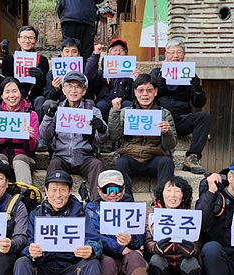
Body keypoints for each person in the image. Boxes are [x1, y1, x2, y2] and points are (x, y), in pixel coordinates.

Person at [40, 71, 109, 201]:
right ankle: (49, 200)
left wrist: (101, 128)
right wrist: (48, 116)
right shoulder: (57, 109)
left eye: (78, 86)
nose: (73, 90)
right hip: (62, 156)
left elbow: (102, 139)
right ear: (63, 89)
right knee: (54, 163)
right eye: (70, 86)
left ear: (84, 91)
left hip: (85, 157)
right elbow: (44, 135)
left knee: (97, 165)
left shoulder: (93, 111)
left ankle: (97, 203)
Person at [144, 176, 201, 275]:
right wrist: (155, 248)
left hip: (184, 266)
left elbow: (197, 241)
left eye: (177, 191)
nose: (173, 195)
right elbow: (147, 240)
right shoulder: (152, 214)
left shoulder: (191, 214)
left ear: (184, 195)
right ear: (161, 194)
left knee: (192, 262)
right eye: (168, 190)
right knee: (155, 260)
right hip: (163, 269)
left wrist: (193, 249)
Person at [108, 73, 177, 196]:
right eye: (141, 90)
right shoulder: (126, 112)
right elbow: (115, 136)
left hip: (154, 157)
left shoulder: (164, 113)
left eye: (149, 90)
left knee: (167, 163)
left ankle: (162, 200)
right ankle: (126, 201)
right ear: (135, 92)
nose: (145, 94)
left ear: (155, 92)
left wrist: (167, 132)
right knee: (121, 163)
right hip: (130, 156)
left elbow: (170, 145)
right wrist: (115, 112)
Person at [151, 39, 211, 175]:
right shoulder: (156, 72)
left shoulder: (189, 73)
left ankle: (192, 158)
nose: (175, 56)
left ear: (184, 55)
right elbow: (145, 96)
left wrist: (197, 89)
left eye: (179, 52)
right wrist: (157, 86)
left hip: (180, 119)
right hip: (159, 118)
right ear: (165, 54)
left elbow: (198, 103)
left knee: (204, 117)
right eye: (172, 52)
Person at [0, 77, 38, 185]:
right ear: (1, 95)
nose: (11, 96)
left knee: (19, 160)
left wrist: (30, 137)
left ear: (20, 93)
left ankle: (26, 196)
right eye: (7, 92)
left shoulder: (31, 114)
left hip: (24, 157)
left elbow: (33, 148)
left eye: (15, 91)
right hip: (1, 154)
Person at [0, 26, 49, 113]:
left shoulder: (42, 60)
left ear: (36, 41)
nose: (27, 41)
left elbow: (44, 84)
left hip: (34, 96)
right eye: (24, 37)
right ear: (18, 40)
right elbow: (6, 77)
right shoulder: (11, 58)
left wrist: (40, 76)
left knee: (40, 100)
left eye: (31, 38)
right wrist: (5, 55)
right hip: (14, 95)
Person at [84, 39, 138, 122]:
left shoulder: (131, 74)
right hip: (104, 103)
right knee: (101, 105)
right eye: (114, 50)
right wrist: (96, 55)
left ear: (127, 54)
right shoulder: (102, 73)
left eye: (121, 50)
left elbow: (135, 95)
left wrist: (137, 80)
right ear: (108, 54)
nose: (118, 53)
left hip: (123, 103)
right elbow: (88, 76)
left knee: (128, 105)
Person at [43, 37, 82, 104]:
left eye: (74, 52)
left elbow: (89, 96)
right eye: (67, 51)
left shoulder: (83, 72)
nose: (70, 55)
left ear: (78, 54)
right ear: (61, 53)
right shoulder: (52, 73)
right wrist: (55, 89)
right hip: (57, 104)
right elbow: (48, 98)